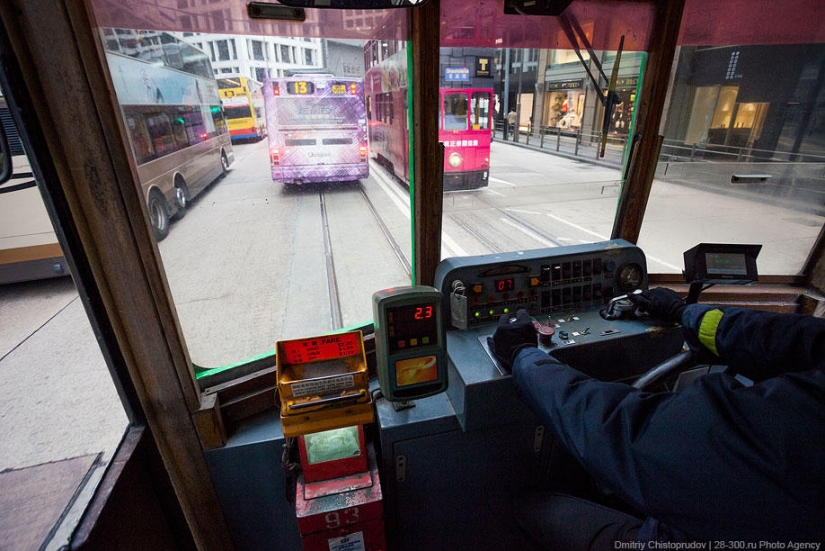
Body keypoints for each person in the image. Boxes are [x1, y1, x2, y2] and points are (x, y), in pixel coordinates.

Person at [490, 288, 825, 548]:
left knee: (531, 507)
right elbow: (795, 339)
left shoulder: (790, 435)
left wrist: (522, 356)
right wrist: (684, 312)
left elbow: (622, 432)